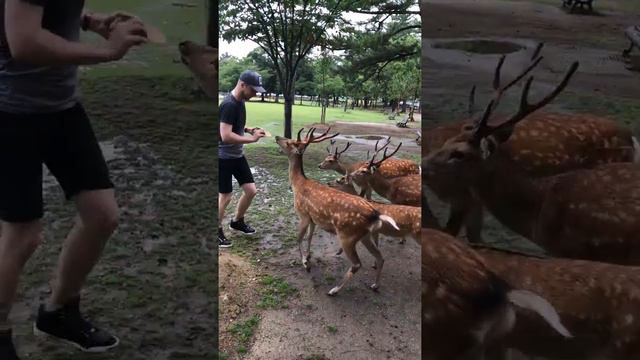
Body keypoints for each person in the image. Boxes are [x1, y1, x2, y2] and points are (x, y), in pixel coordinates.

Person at [0, 1, 148, 359]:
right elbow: (23, 41)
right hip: (10, 113)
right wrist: (107, 51)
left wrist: (86, 19)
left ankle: (58, 313)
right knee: (22, 235)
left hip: (61, 108)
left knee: (101, 215)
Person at [218, 70, 267, 248]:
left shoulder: (240, 102)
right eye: (254, 90)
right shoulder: (229, 104)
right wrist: (252, 139)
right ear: (242, 85)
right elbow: (225, 135)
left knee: (251, 190)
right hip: (223, 157)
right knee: (225, 196)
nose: (255, 94)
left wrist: (248, 130)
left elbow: (233, 125)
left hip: (237, 155)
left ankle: (237, 221)